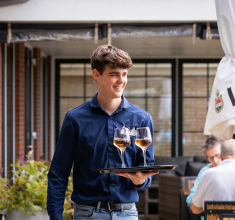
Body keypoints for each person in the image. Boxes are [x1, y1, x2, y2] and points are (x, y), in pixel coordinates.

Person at [47, 45, 158, 220]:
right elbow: (59, 173)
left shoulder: (142, 119)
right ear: (96, 74)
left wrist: (141, 180)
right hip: (88, 214)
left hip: (127, 213)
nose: (121, 80)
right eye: (114, 74)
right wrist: (55, 217)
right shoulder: (75, 119)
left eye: (125, 74)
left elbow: (146, 166)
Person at [186, 136, 222, 206]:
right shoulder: (205, 171)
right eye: (210, 157)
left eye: (217, 155)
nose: (215, 161)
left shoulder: (230, 168)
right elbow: (191, 198)